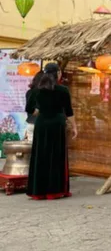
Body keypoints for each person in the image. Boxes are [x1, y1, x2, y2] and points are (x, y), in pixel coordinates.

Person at [26, 63, 78, 200]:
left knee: (40, 156)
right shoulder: (63, 90)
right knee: (56, 156)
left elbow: (29, 109)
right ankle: (54, 191)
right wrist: (74, 127)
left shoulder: (36, 90)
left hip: (41, 124)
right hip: (57, 125)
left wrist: (39, 110)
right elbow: (69, 111)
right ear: (58, 73)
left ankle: (38, 192)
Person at [24, 70, 44, 142]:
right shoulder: (45, 93)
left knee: (31, 150)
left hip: (30, 124)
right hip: (42, 125)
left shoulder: (29, 92)